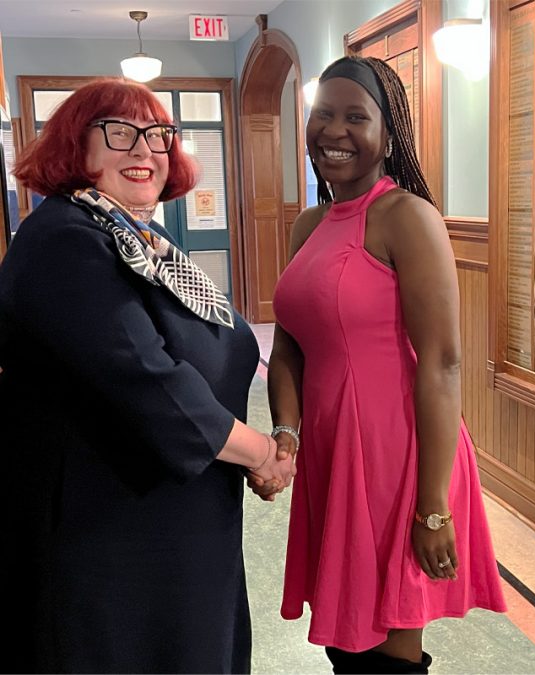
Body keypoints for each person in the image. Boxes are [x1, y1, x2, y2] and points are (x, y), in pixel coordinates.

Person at [0, 78, 293, 672]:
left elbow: (222, 343)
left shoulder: (135, 233)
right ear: (73, 147)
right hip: (107, 531)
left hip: (170, 523)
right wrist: (259, 451)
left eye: (158, 135)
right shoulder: (64, 239)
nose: (144, 150)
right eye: (120, 132)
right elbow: (147, 378)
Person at [266, 56, 506, 674]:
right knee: (346, 641)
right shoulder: (309, 224)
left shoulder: (406, 218)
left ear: (388, 135)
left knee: (386, 641)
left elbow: (444, 364)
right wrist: (287, 435)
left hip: (395, 456)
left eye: (355, 117)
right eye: (323, 115)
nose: (334, 131)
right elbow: (290, 344)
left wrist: (432, 505)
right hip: (331, 448)